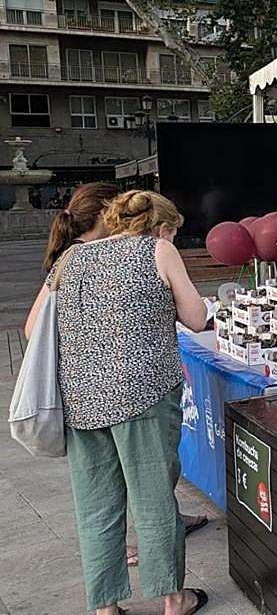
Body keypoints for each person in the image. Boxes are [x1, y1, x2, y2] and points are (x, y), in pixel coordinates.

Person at [25, 190, 210, 615]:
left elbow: (35, 328)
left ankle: (106, 608)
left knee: (96, 507)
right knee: (154, 499)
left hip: (82, 403)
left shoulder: (70, 259)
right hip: (144, 394)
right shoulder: (158, 250)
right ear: (160, 226)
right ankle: (173, 599)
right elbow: (197, 318)